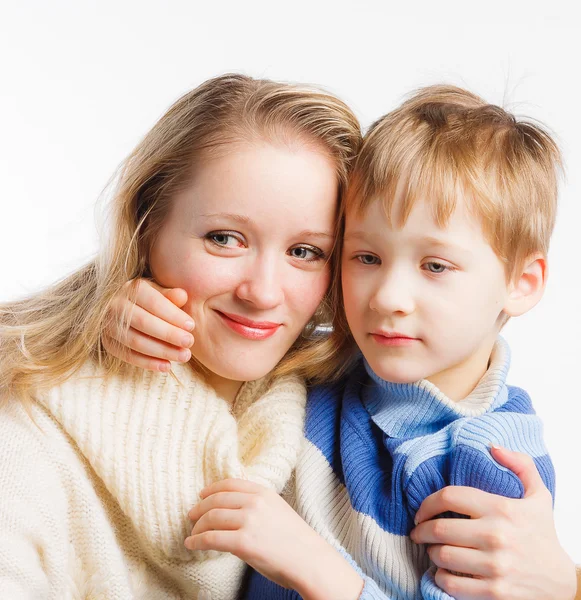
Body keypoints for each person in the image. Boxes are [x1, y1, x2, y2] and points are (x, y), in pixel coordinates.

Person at [108, 85, 580, 600]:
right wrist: (114, 310)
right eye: (366, 258)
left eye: (435, 266)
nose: (389, 297)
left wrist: (316, 568)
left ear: (523, 283)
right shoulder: (330, 363)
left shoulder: (491, 466)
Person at [0, 74, 363, 599]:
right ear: (147, 226)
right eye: (224, 239)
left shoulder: (334, 425)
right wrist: (90, 308)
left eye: (306, 252)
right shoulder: (28, 432)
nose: (262, 292)